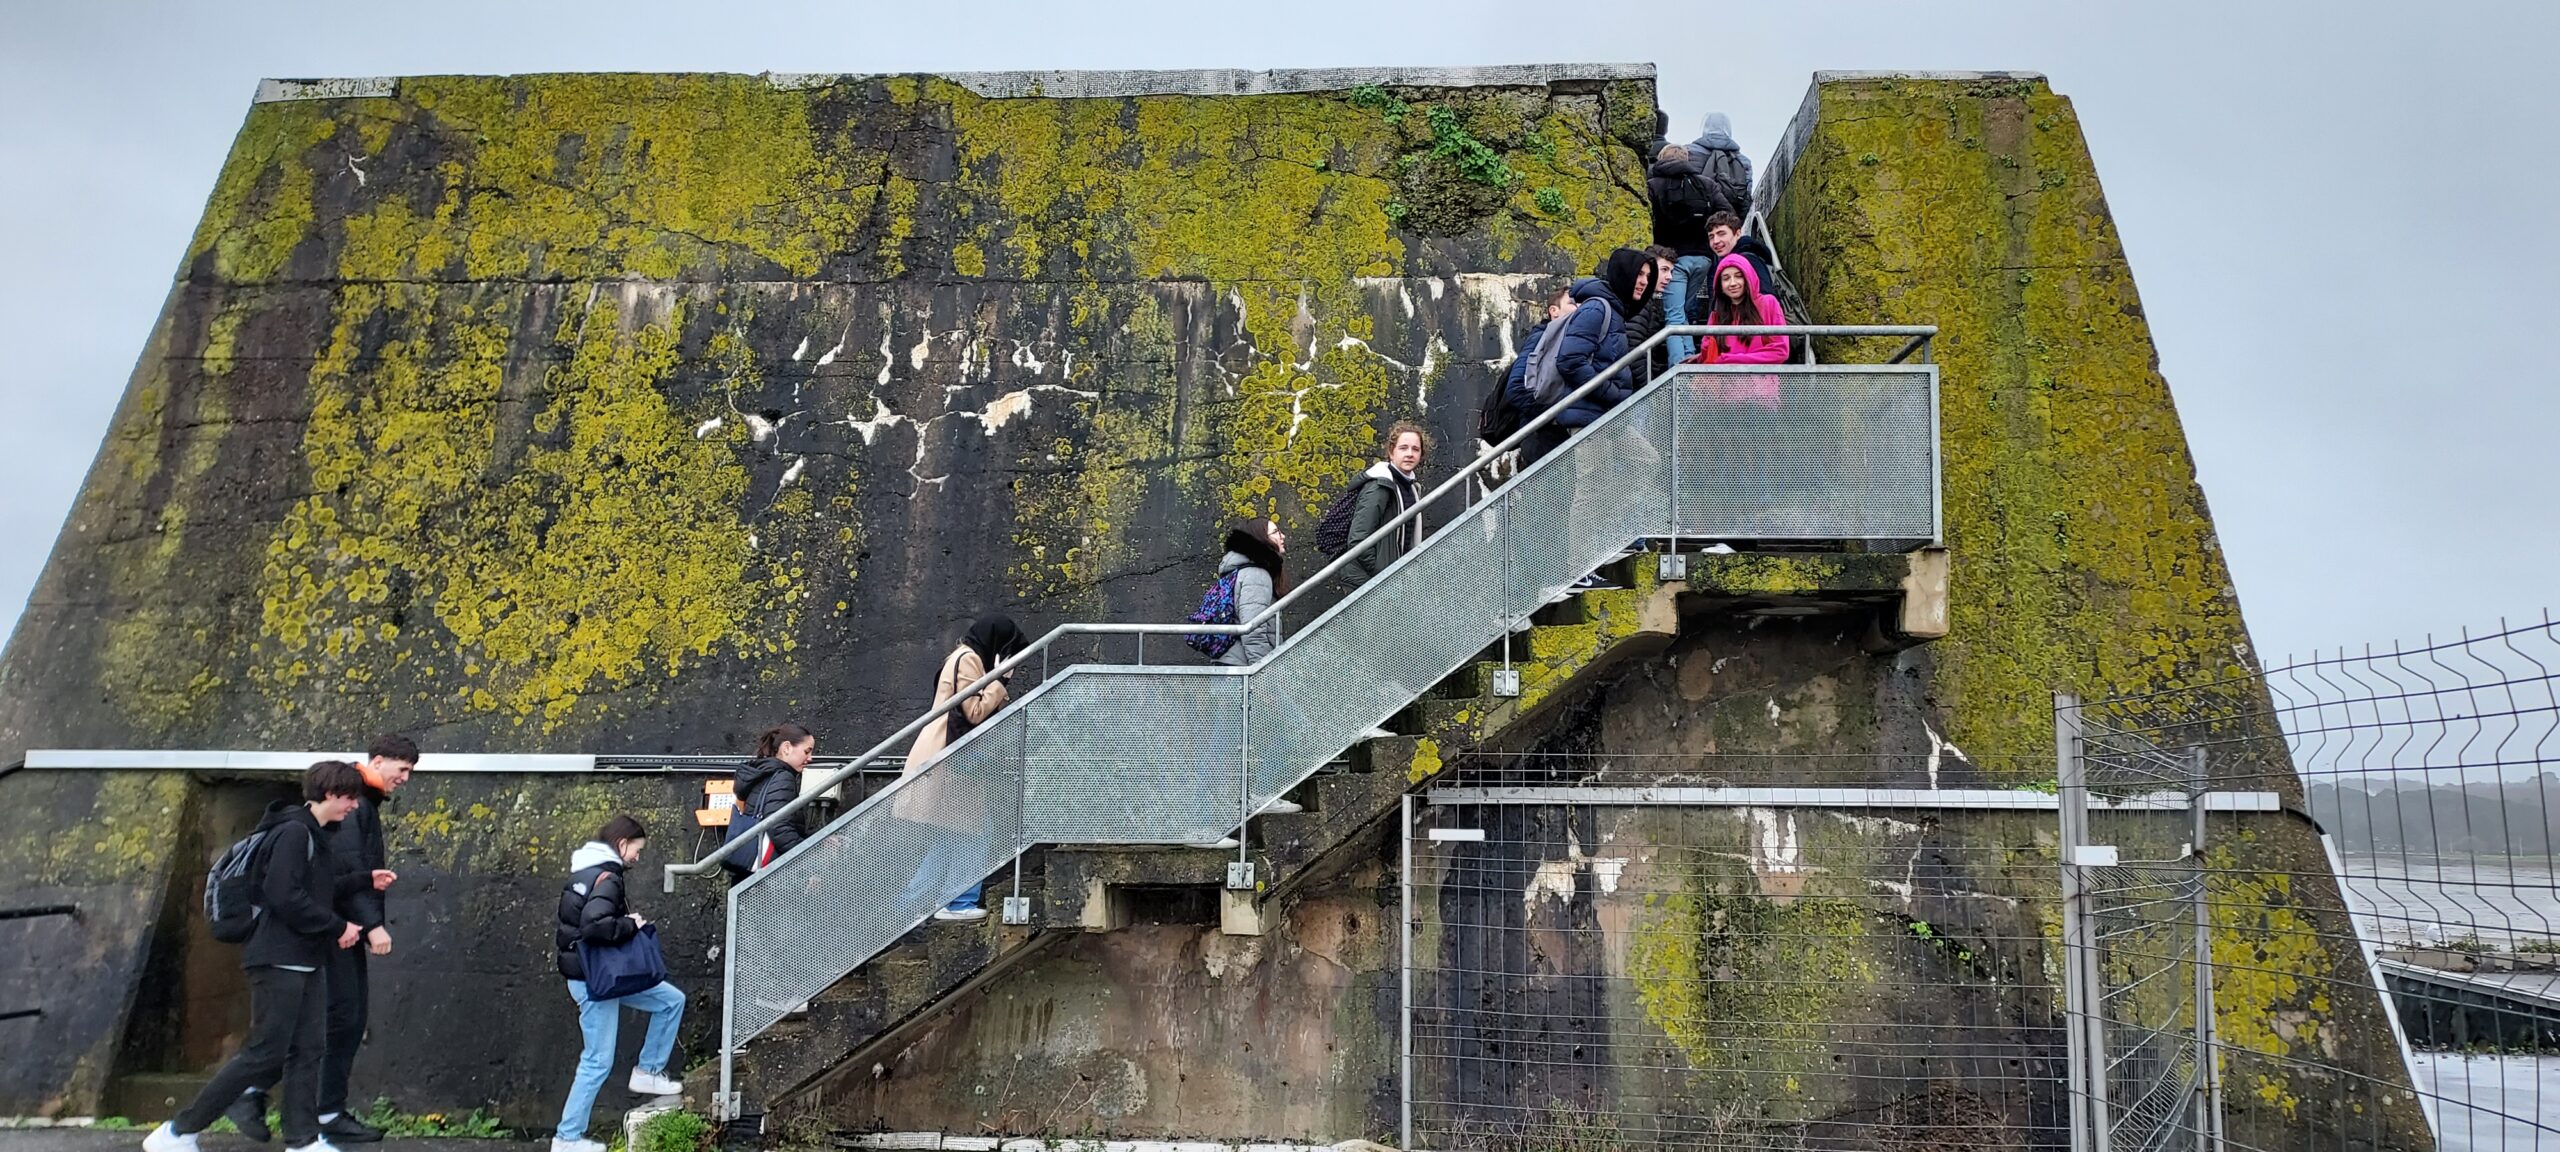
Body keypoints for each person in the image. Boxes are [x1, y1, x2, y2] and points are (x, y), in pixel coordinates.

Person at [148, 762, 387, 1152]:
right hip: (277, 958)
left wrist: (364, 880)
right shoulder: (293, 833)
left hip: (305, 959)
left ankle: (302, 1141)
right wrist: (337, 927)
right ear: (329, 795)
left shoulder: (317, 834)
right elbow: (284, 895)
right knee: (264, 1052)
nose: (354, 807)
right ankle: (177, 1132)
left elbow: (315, 890)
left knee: (307, 1050)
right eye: (349, 798)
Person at [220, 736, 416, 1145]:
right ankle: (266, 1098)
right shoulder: (353, 801)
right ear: (377, 761)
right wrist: (371, 925)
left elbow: (350, 871)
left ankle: (317, 1110)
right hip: (334, 929)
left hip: (337, 928)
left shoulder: (361, 802)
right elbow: (342, 867)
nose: (405, 777)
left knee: (335, 1021)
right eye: (402, 768)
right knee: (334, 1020)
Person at [550, 815, 685, 1152]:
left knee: (670, 1000)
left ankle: (648, 1071)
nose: (638, 857)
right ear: (622, 844)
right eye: (637, 850)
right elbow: (595, 926)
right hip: (597, 980)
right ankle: (567, 1139)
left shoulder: (583, 871)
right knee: (597, 1061)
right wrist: (630, 924)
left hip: (594, 975)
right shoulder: (608, 877)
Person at [904, 615, 1030, 921]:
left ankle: (905, 909)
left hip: (950, 760)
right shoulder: (969, 660)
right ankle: (958, 903)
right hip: (953, 761)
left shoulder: (963, 657)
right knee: (976, 832)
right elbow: (972, 712)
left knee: (950, 838)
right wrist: (1000, 680)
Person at [1505, 248, 1652, 466]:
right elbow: (1570, 360)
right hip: (1587, 415)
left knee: (1646, 461)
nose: (1644, 282)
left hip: (1602, 413)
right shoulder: (1597, 309)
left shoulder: (1615, 311)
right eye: (1639, 274)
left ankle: (1616, 501)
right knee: (1590, 492)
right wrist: (1608, 391)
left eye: (1648, 276)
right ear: (1624, 273)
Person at [1343, 423, 1429, 585]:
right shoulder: (1379, 486)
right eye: (1403, 448)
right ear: (1391, 452)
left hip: (1394, 577)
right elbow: (1358, 539)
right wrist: (1381, 572)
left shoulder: (1410, 487)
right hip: (1369, 581)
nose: (1410, 454)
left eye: (1415, 449)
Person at [727, 724, 813, 877]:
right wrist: (807, 864)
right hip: (769, 875)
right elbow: (779, 827)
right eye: (807, 751)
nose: (810, 758)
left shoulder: (764, 774)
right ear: (786, 748)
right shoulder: (783, 777)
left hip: (749, 870)